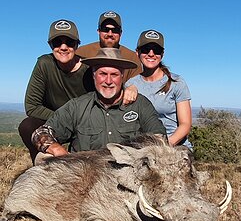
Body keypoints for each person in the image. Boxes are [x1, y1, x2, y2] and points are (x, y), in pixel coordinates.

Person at [31, 48, 166, 157]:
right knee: (43, 159)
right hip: (85, 180)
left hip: (129, 179)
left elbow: (159, 138)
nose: (108, 81)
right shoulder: (77, 106)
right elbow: (41, 133)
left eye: (114, 75)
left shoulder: (140, 104)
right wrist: (57, 150)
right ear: (94, 76)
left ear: (122, 77)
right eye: (102, 74)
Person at [18, 19, 95, 163]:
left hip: (83, 122)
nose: (63, 47)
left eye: (69, 42)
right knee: (27, 126)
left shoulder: (88, 70)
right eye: (57, 42)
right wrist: (61, 120)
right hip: (53, 121)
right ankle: (41, 166)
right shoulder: (44, 64)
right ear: (50, 45)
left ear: (77, 44)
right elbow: (32, 106)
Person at [126, 30, 192, 149]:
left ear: (162, 54)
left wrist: (164, 146)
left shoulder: (177, 82)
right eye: (146, 49)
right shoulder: (130, 84)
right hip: (144, 149)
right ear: (137, 52)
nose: (151, 54)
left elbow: (185, 125)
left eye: (156, 50)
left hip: (174, 146)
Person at [76, 11, 142, 82]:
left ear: (120, 33)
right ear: (98, 31)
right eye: (105, 29)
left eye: (115, 30)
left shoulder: (132, 58)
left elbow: (137, 83)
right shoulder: (81, 52)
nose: (110, 34)